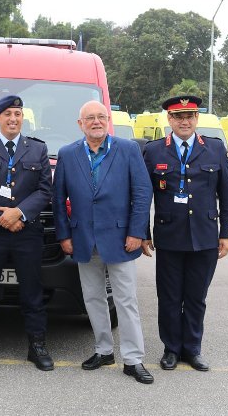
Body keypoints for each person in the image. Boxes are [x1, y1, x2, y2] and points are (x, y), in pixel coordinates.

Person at [52, 100, 155, 384]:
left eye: (101, 117)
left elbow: (143, 192)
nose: (96, 122)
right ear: (80, 124)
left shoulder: (128, 149)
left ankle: (133, 359)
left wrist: (137, 232)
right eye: (90, 118)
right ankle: (104, 350)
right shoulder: (68, 154)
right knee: (93, 298)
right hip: (83, 239)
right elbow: (58, 200)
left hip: (122, 239)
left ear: (108, 120)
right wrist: (64, 235)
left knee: (126, 301)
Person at [141, 95, 228, 372]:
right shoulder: (154, 151)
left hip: (205, 237)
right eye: (179, 117)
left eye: (190, 116)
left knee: (196, 297)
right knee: (169, 297)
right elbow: (143, 196)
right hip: (169, 236)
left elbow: (226, 195)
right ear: (169, 119)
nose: (185, 121)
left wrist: (227, 232)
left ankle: (192, 349)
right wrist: (143, 232)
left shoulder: (215, 149)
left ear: (197, 119)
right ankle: (171, 349)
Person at [0, 95, 54, 371]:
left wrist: (20, 213)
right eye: (7, 114)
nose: (13, 119)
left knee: (32, 291)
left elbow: (44, 190)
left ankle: (36, 345)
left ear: (22, 117)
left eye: (18, 114)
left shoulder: (37, 149)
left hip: (27, 232)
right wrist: (1, 216)